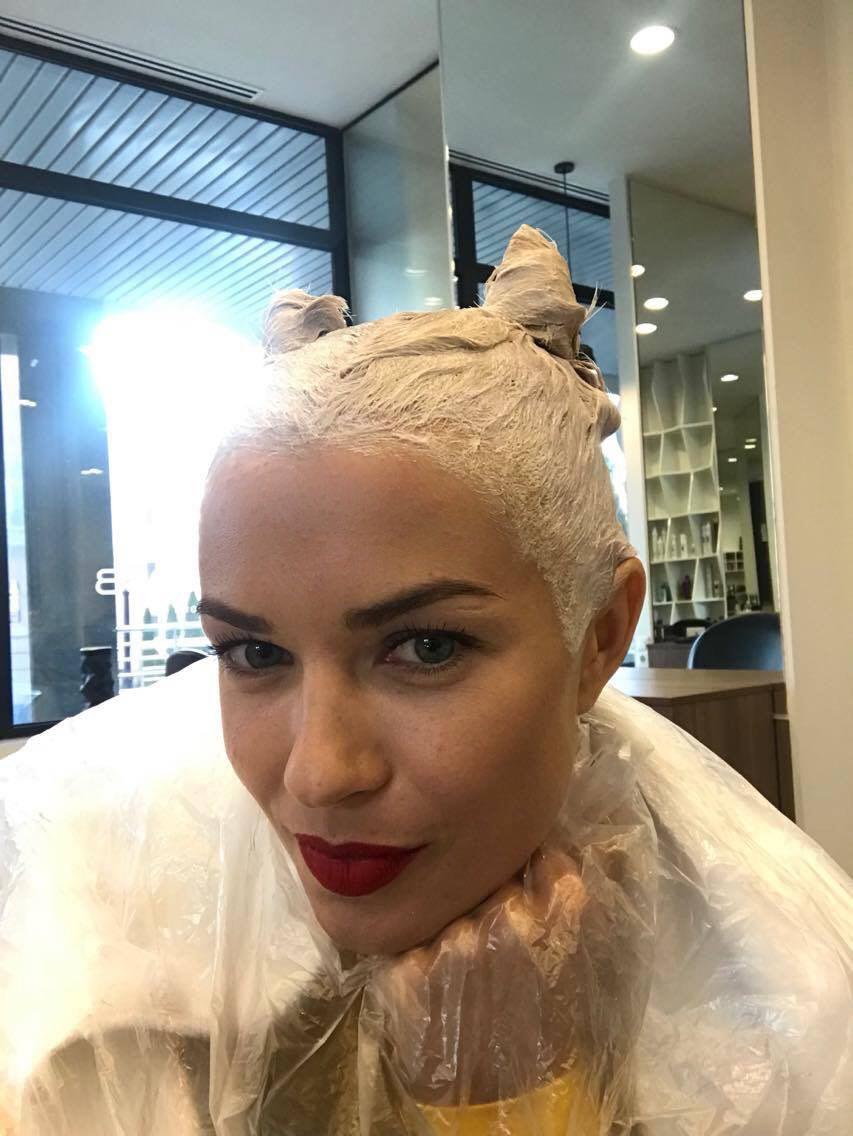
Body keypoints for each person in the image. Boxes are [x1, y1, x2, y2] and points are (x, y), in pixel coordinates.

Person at [1, 227, 851, 1134]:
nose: (319, 775)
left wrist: (509, 1096)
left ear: (600, 635)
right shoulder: (98, 946)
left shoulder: (789, 1007)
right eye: (254, 653)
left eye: (427, 648)